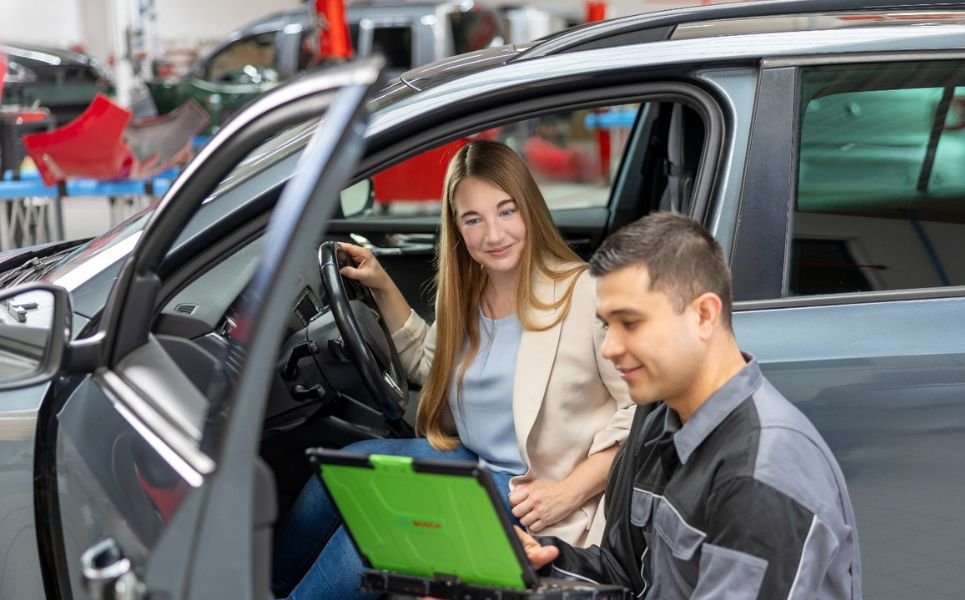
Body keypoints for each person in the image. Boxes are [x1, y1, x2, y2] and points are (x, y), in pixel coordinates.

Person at [272, 140, 633, 599]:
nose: (493, 234)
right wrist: (382, 285)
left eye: (506, 211)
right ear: (457, 228)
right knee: (340, 472)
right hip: (476, 462)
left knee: (375, 534)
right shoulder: (468, 292)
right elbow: (431, 364)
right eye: (473, 219)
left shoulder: (585, 292)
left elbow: (639, 414)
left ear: (530, 209)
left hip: (536, 488)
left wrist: (568, 490)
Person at [517, 212, 862, 599]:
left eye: (630, 323)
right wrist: (541, 561)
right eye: (606, 325)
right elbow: (625, 574)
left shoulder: (762, 471)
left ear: (704, 315)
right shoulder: (661, 425)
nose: (610, 348)